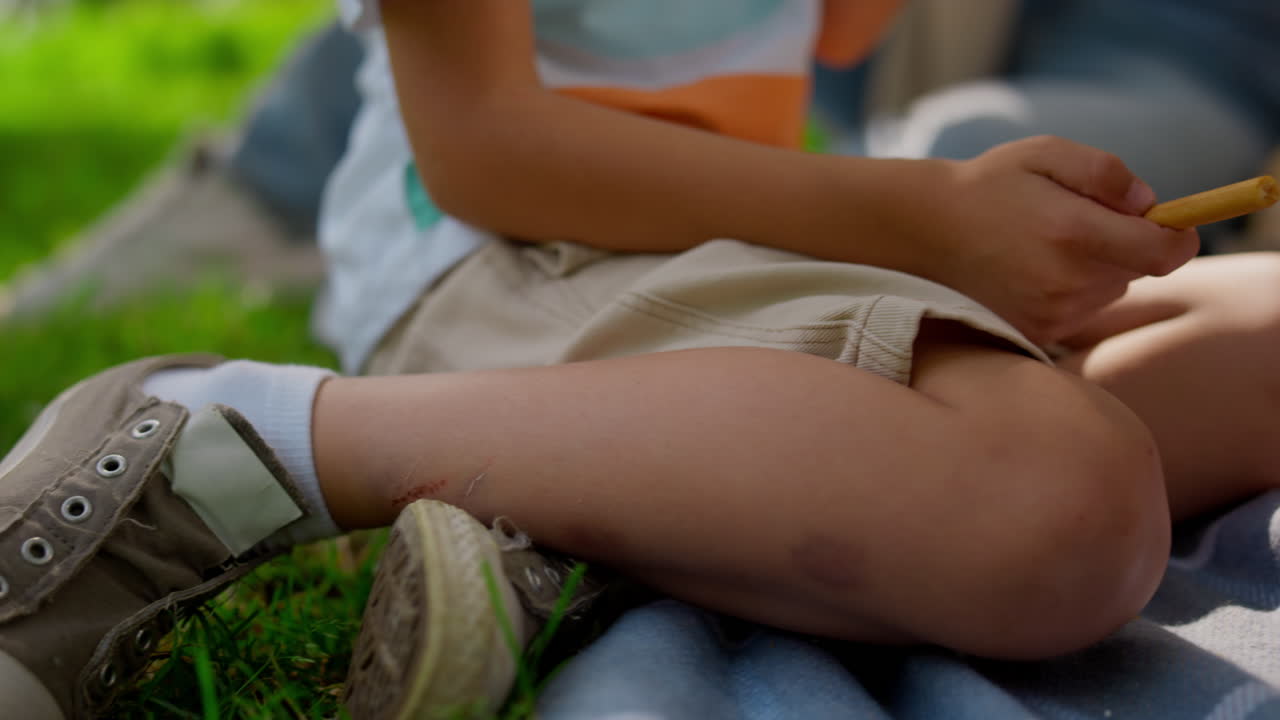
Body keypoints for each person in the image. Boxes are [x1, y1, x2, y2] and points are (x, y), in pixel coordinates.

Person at [2, 3, 1280, 720]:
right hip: (513, 259)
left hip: (738, 246)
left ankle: (588, 511)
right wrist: (924, 217)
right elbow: (485, 148)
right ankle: (240, 436)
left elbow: (830, 43)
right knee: (1056, 511)